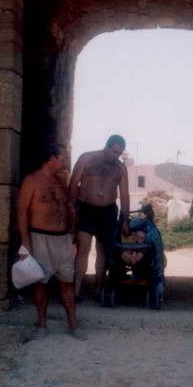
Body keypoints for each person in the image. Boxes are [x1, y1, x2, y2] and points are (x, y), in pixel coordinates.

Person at [16, 143, 87, 340]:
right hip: (40, 237)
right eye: (63, 158)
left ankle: (73, 325)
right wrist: (25, 244)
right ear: (52, 158)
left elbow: (69, 209)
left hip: (63, 239)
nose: (65, 162)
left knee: (67, 283)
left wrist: (72, 235)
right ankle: (42, 325)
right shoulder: (32, 181)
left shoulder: (60, 182)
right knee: (41, 282)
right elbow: (21, 211)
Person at [69, 134, 130, 301]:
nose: (116, 156)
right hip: (86, 207)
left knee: (103, 250)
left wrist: (125, 219)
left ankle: (98, 289)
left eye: (119, 153)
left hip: (108, 211)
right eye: (114, 151)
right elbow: (74, 184)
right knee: (83, 248)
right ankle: (76, 291)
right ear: (107, 146)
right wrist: (72, 210)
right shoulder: (87, 158)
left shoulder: (120, 168)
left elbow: (124, 194)